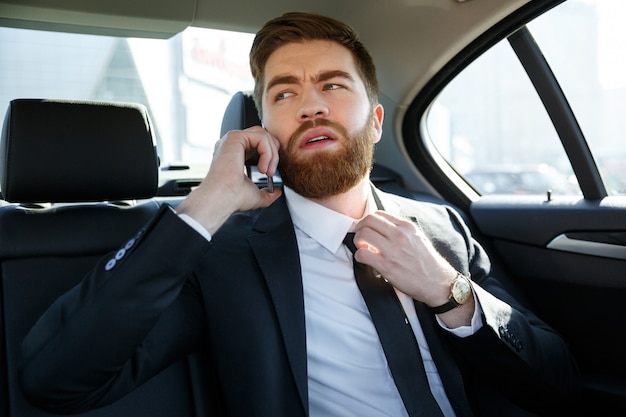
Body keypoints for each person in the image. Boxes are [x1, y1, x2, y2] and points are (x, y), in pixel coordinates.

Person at [19, 11, 579, 417]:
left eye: (333, 85)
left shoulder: (442, 228)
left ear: (377, 120)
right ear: (261, 127)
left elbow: (556, 381)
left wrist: (447, 290)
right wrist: (206, 204)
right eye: (284, 94)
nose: (311, 104)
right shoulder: (223, 255)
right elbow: (56, 380)